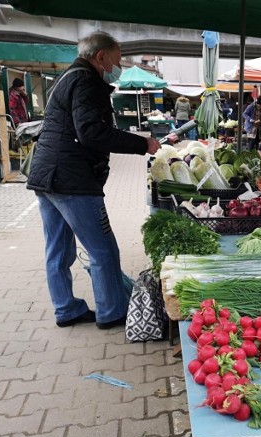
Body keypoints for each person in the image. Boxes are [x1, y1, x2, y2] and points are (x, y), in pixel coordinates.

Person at [26, 31, 161, 329]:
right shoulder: (87, 82)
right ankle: (112, 312)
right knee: (103, 249)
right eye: (117, 59)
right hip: (73, 180)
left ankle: (66, 309)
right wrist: (142, 144)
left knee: (58, 251)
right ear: (100, 57)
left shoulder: (69, 77)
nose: (118, 65)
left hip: (47, 177)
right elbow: (91, 132)